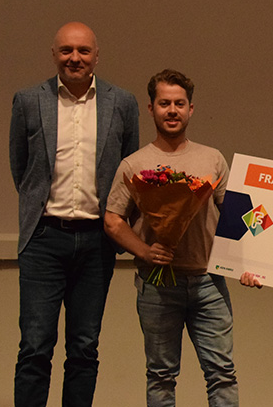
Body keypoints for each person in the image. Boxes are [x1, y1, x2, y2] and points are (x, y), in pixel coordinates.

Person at [104, 69, 257, 407]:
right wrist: (145, 251)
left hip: (209, 284)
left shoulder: (212, 159)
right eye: (164, 104)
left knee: (222, 374)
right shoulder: (133, 164)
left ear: (191, 109)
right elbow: (113, 221)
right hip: (157, 286)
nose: (172, 110)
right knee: (161, 376)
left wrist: (250, 265)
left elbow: (237, 219)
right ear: (151, 109)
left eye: (179, 104)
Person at [9, 21, 140, 406]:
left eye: (83, 50)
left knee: (84, 348)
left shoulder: (123, 102)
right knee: (35, 346)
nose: (74, 58)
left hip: (98, 241)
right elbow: (22, 170)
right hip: (44, 241)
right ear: (54, 55)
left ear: (97, 56)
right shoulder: (28, 100)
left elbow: (129, 170)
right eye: (66, 50)